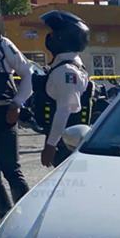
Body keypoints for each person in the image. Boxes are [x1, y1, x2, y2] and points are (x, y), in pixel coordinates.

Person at [0, 23, 34, 219]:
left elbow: (27, 72)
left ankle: (27, 219)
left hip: (3, 113)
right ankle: (5, 220)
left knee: (11, 169)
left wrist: (17, 104)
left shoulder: (1, 44)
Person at [40, 10, 91, 167]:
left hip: (67, 143)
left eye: (54, 33)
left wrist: (51, 145)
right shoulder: (64, 67)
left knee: (71, 179)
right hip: (66, 139)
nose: (50, 37)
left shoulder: (66, 71)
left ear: (62, 37)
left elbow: (65, 110)